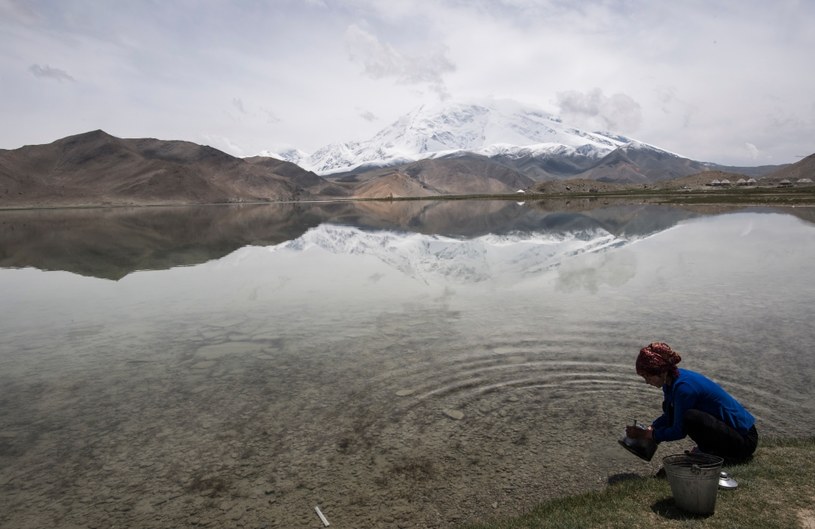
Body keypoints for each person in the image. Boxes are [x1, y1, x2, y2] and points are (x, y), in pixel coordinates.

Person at [625, 341, 758, 463]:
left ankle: (719, 455)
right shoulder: (671, 382)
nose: (647, 382)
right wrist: (652, 427)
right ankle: (709, 450)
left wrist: (649, 435)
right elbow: (670, 416)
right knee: (671, 408)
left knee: (691, 417)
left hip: (745, 441)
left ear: (662, 371)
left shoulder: (684, 388)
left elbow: (679, 431)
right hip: (730, 433)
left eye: (648, 377)